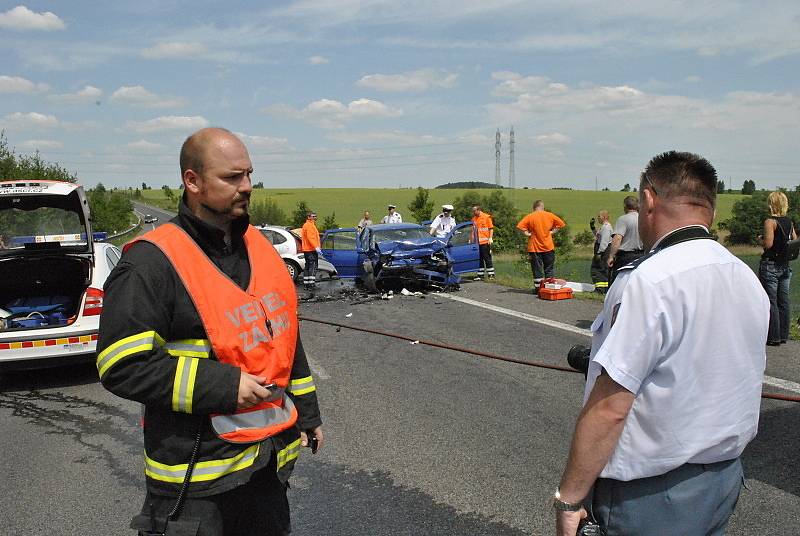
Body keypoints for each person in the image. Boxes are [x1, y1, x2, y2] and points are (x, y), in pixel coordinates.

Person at [97, 128, 323, 536]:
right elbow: (122, 365)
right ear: (193, 181)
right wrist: (222, 384)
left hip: (267, 465)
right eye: (232, 177)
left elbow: (284, 337)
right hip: (196, 479)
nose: (247, 187)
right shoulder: (152, 263)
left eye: (249, 175)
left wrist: (307, 414)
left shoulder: (259, 247)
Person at [554, 151, 769, 536]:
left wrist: (570, 499)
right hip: (722, 479)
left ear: (649, 200)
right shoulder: (744, 276)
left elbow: (610, 409)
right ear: (711, 210)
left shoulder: (648, 280)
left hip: (651, 496)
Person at [759, 190, 797, 345]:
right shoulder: (789, 222)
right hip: (785, 266)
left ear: (771, 204)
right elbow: (794, 239)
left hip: (771, 265)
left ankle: (773, 337)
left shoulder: (770, 222)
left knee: (771, 301)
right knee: (784, 301)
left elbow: (768, 244)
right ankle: (783, 335)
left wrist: (760, 239)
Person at [516, 200, 565, 290]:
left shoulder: (530, 216)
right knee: (549, 268)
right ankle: (549, 288)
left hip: (534, 247)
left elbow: (519, 226)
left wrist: (527, 233)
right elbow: (561, 224)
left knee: (537, 269)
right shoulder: (549, 215)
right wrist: (552, 232)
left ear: (534, 207)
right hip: (548, 246)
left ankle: (538, 289)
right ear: (542, 206)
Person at [605, 195, 643, 285]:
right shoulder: (643, 219)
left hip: (626, 257)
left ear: (625, 206)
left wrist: (611, 256)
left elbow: (617, 238)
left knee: (619, 284)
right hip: (642, 255)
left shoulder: (623, 219)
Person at [589, 210, 613, 293]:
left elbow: (604, 242)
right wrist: (592, 227)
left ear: (604, 217)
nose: (598, 218)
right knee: (600, 268)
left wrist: (599, 253)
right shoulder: (603, 227)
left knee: (599, 269)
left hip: (603, 252)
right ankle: (602, 289)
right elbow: (598, 236)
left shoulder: (606, 227)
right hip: (602, 250)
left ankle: (601, 290)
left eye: (599, 216)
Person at [471, 204, 494, 279]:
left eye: (474, 211)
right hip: (477, 243)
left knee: (487, 258)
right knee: (479, 259)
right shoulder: (473, 219)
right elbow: (473, 231)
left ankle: (491, 275)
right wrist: (471, 239)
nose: (473, 212)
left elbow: (491, 228)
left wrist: (490, 238)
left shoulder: (486, 217)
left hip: (485, 242)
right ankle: (480, 275)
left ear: (478, 210)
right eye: (473, 211)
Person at [301, 211, 322, 291]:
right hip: (311, 249)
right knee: (312, 266)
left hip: (307, 249)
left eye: (315, 216)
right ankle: (311, 285)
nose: (315, 218)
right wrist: (316, 247)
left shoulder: (307, 225)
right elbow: (311, 238)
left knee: (308, 266)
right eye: (313, 216)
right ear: (309, 217)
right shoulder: (309, 226)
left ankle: (306, 284)